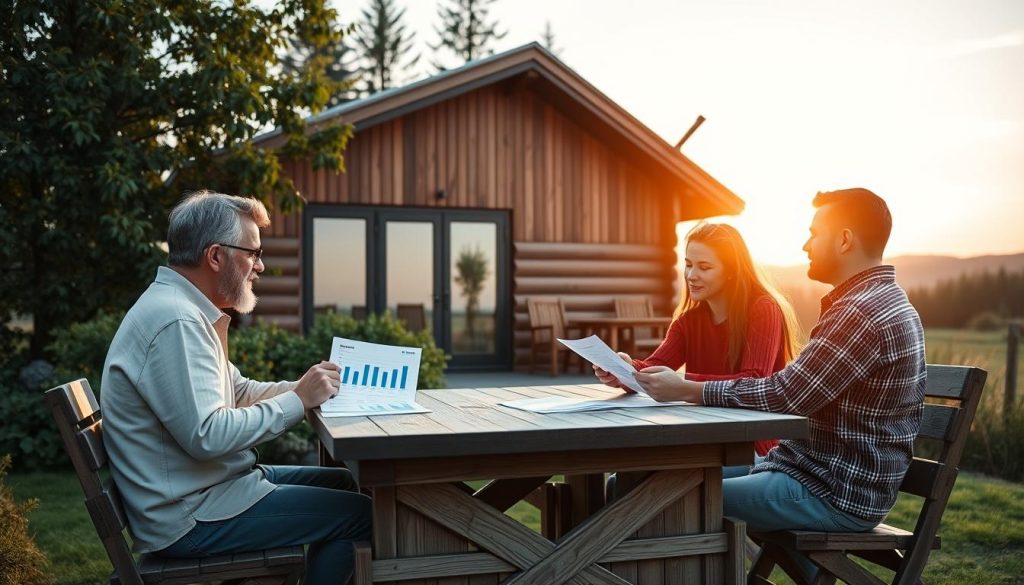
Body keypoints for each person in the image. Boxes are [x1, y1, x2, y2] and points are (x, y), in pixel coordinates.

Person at [633, 188, 926, 580]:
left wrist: (690, 388)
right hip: (808, 473)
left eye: (814, 232)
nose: (805, 245)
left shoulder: (861, 312)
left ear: (844, 240)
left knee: (660, 498)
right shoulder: (878, 301)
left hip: (831, 491)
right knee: (643, 483)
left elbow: (785, 394)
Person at [101, 191, 371, 585]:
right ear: (215, 256)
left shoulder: (181, 308)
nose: (259, 266)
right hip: (191, 515)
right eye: (253, 253)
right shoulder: (176, 321)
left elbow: (238, 391)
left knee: (346, 483)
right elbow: (207, 435)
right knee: (360, 515)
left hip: (207, 491)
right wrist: (298, 400)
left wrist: (305, 387)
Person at [594, 222, 800, 457]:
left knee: (653, 480)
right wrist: (623, 369)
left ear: (731, 270)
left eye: (704, 267)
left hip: (752, 446)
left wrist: (683, 385)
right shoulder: (688, 321)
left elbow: (754, 381)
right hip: (704, 437)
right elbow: (655, 365)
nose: (691, 276)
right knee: (622, 478)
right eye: (689, 265)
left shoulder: (763, 309)